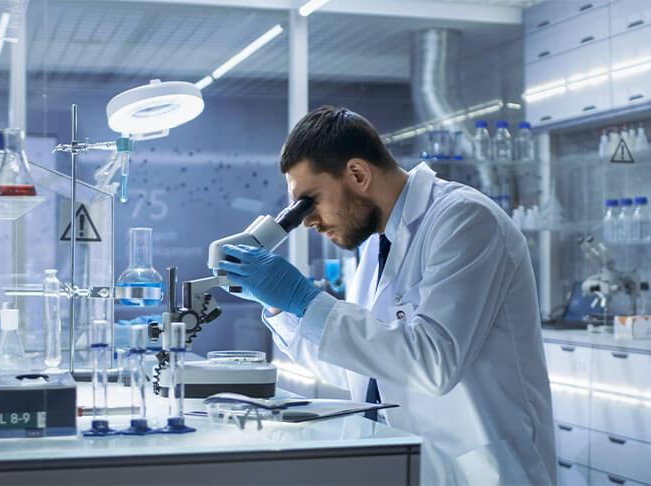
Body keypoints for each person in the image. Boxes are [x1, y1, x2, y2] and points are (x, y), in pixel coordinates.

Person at [218, 106, 556, 485]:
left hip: (483, 472)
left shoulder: (465, 219)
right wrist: (280, 305)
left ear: (358, 174)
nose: (307, 221)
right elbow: (358, 364)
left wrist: (305, 299)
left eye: (309, 201)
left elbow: (433, 364)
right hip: (411, 463)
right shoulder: (380, 245)